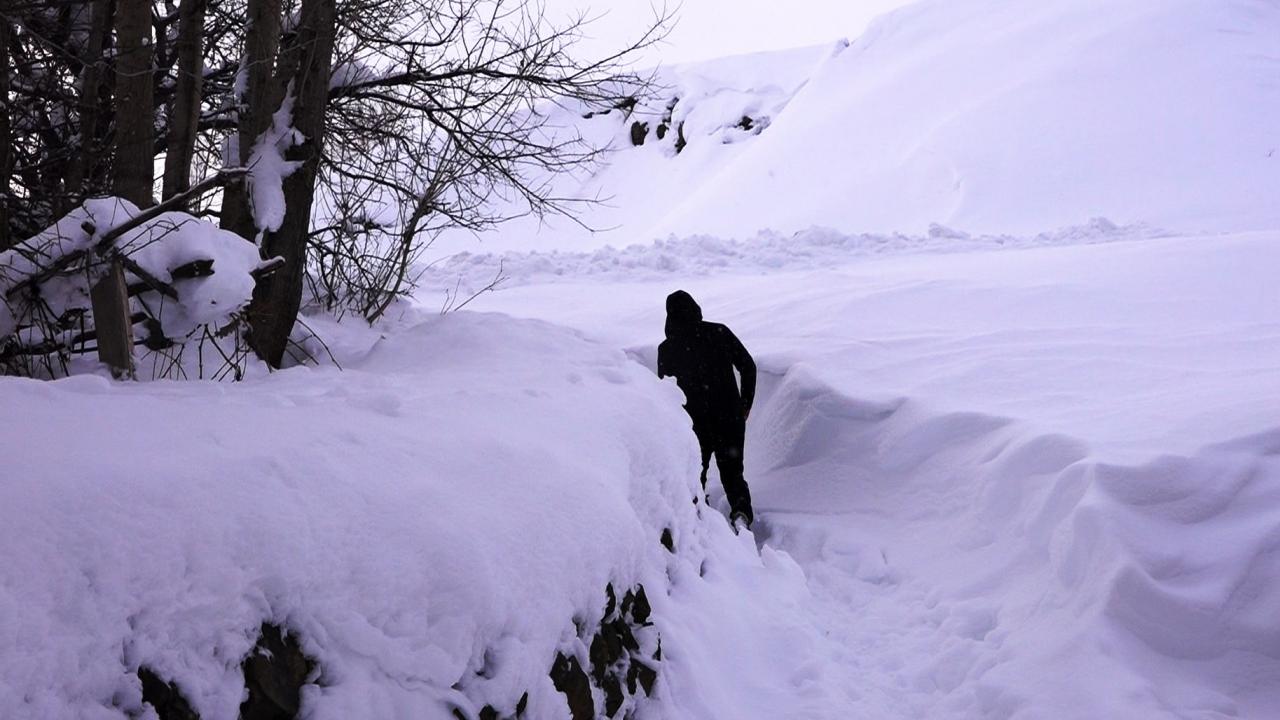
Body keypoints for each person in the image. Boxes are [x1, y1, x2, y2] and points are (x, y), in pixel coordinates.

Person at [657, 290, 757, 530]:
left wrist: (674, 422)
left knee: (694, 476)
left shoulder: (667, 349)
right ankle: (741, 517)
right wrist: (744, 404)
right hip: (729, 418)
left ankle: (699, 524)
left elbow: (665, 392)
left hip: (693, 424)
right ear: (695, 309)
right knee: (733, 474)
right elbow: (748, 366)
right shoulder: (718, 332)